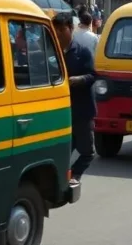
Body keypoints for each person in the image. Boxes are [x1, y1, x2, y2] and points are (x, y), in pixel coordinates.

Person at [53, 13, 96, 183]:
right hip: (61, 110)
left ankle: (75, 175)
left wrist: (79, 79)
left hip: (81, 110)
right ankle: (60, 177)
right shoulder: (52, 51)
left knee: (86, 151)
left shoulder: (82, 51)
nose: (58, 34)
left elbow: (93, 75)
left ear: (71, 28)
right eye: (55, 30)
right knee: (64, 148)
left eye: (62, 29)